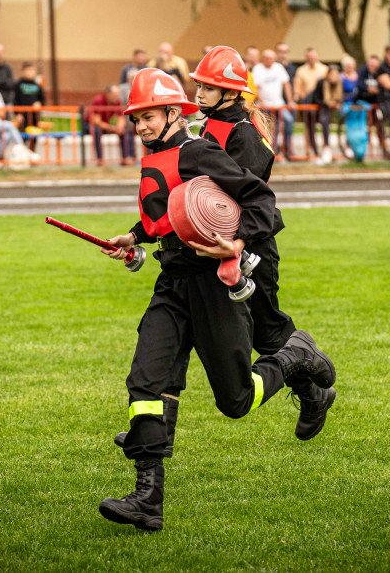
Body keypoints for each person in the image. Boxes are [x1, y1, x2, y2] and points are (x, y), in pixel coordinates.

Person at [98, 67, 336, 531]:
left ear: (172, 113)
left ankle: (296, 357)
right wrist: (133, 237)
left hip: (212, 285)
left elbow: (261, 202)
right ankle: (148, 499)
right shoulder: (154, 156)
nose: (141, 127)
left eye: (148, 117)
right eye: (135, 119)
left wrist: (238, 241)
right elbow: (168, 214)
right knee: (147, 383)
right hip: (172, 284)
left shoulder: (198, 151)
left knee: (236, 400)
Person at [251, 48, 296, 159]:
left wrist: (290, 100)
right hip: (265, 106)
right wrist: (261, 102)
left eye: (273, 59)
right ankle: (270, 151)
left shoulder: (278, 67)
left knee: (288, 121)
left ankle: (286, 147)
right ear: (264, 59)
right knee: (269, 128)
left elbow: (286, 84)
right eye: (269, 59)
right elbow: (255, 88)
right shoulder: (258, 69)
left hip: (279, 104)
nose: (272, 61)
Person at [355, 55, 390, 159]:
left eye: (375, 65)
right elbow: (359, 84)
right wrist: (368, 89)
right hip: (363, 104)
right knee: (363, 128)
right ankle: (362, 150)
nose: (372, 67)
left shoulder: (381, 72)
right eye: (371, 65)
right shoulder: (362, 71)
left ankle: (384, 149)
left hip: (376, 104)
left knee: (380, 126)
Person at [311, 64, 343, 163]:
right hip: (314, 105)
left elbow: (341, 98)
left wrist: (336, 104)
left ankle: (345, 146)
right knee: (322, 122)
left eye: (336, 74)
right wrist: (327, 103)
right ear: (328, 74)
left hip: (329, 106)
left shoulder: (339, 84)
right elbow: (315, 99)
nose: (334, 76)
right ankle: (323, 147)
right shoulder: (321, 83)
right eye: (332, 74)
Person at [85, 85, 123, 165]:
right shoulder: (98, 100)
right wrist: (112, 128)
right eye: (114, 95)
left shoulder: (117, 101)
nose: (117, 97)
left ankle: (125, 158)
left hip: (105, 125)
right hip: (89, 125)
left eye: (118, 94)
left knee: (124, 131)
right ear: (108, 94)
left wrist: (119, 127)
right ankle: (100, 159)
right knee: (96, 131)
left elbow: (121, 118)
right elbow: (97, 121)